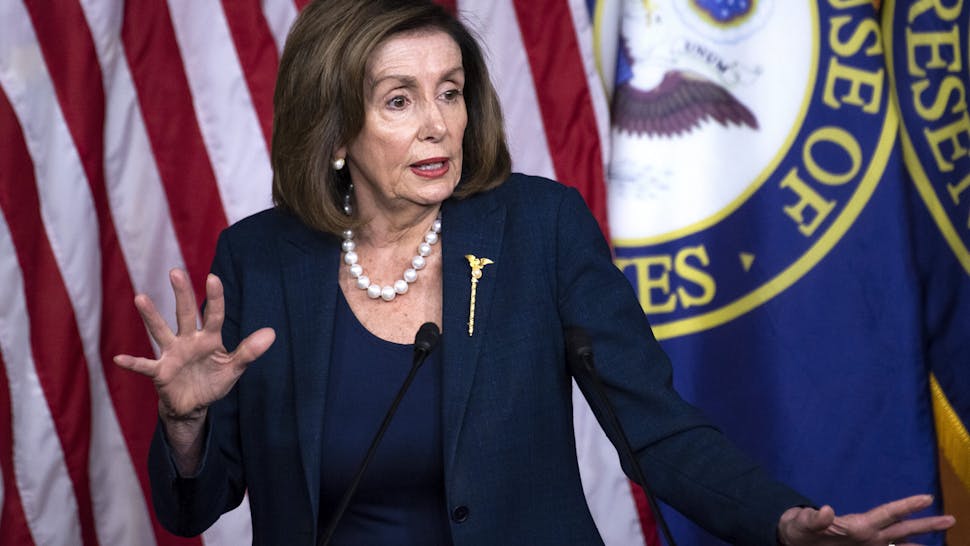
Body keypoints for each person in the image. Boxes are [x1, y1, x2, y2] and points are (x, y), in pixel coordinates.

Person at [113, 0, 956, 544]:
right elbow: (191, 511)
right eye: (399, 100)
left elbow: (655, 428)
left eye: (451, 91)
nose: (438, 124)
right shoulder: (260, 260)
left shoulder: (538, 228)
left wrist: (781, 522)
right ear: (335, 132)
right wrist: (186, 429)